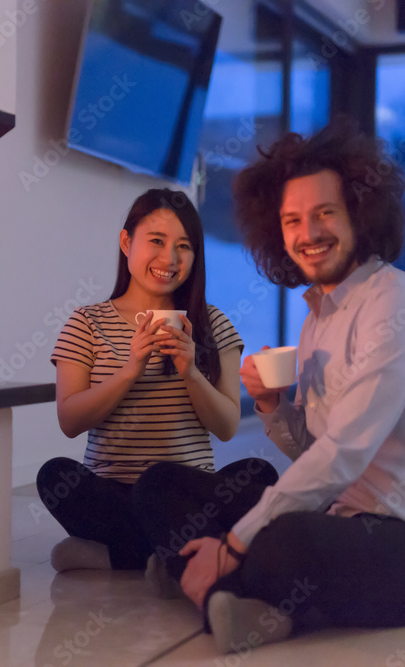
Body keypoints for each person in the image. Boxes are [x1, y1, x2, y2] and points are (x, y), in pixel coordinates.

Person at [133, 118, 405, 652]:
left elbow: (342, 454)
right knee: (164, 484)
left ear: (359, 215)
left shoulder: (396, 304)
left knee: (283, 539)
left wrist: (235, 542)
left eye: (325, 213)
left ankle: (212, 576)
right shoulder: (319, 312)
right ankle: (236, 594)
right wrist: (273, 406)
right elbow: (314, 451)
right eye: (293, 219)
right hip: (342, 514)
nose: (308, 233)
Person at [38, 188, 278, 576]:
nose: (169, 258)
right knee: (55, 477)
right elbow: (69, 421)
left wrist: (191, 372)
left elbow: (227, 426)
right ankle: (184, 552)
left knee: (259, 476)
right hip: (114, 494)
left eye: (183, 246)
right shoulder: (86, 323)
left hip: (183, 490)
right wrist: (130, 370)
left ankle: (119, 556)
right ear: (125, 242)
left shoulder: (213, 325)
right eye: (156, 241)